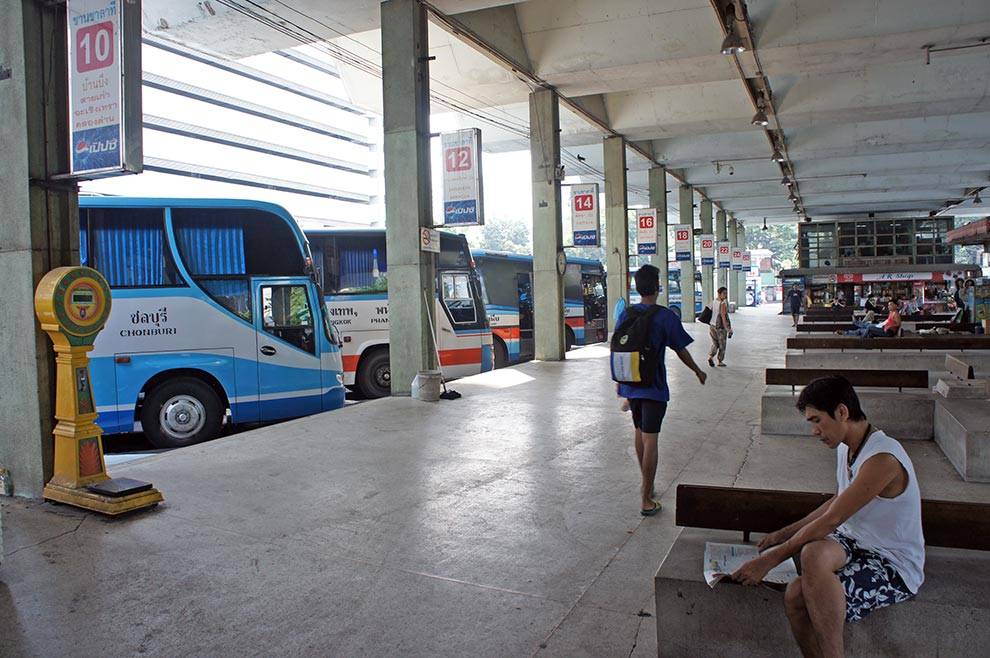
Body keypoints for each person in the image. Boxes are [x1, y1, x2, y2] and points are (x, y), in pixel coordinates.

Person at [732, 376, 924, 658]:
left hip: (891, 561)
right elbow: (838, 502)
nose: (814, 431)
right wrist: (784, 533)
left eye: (817, 420)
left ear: (842, 412)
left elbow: (833, 518)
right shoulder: (847, 447)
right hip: (854, 543)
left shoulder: (882, 458)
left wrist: (770, 559)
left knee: (798, 594)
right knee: (807, 565)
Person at [616, 265, 707, 516]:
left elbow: (619, 349)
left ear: (637, 287)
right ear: (657, 287)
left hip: (632, 386)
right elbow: (681, 349)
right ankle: (646, 498)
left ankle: (648, 483)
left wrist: (620, 385)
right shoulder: (665, 316)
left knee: (639, 432)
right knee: (651, 439)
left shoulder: (627, 314)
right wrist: (697, 371)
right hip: (653, 388)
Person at [707, 286, 732, 367]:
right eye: (724, 293)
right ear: (719, 293)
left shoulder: (713, 302)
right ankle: (720, 361)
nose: (725, 295)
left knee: (715, 343)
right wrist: (728, 329)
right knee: (722, 344)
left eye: (726, 293)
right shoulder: (723, 304)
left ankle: (710, 357)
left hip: (712, 326)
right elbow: (723, 317)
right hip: (720, 327)